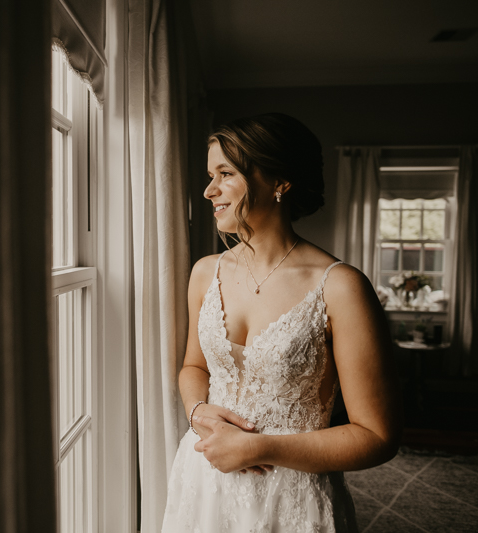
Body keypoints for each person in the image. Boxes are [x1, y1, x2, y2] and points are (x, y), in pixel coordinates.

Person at [161, 113, 402, 532]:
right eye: (209, 175)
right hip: (203, 480)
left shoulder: (341, 287)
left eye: (225, 173)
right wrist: (197, 410)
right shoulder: (205, 272)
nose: (208, 190)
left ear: (279, 182)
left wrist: (260, 447)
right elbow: (194, 368)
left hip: (291, 496)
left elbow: (377, 436)